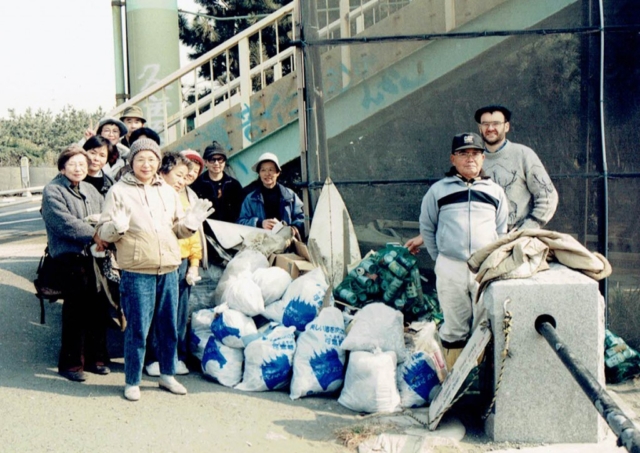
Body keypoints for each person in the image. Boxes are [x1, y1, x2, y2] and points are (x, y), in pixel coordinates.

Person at [97, 138, 213, 401]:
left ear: (158, 163)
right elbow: (104, 232)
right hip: (138, 270)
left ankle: (167, 375)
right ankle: (132, 380)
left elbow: (178, 229)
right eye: (140, 159)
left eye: (151, 159)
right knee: (138, 328)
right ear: (131, 162)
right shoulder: (118, 191)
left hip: (169, 268)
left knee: (168, 326)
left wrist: (191, 223)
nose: (146, 164)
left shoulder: (168, 192)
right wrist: (116, 227)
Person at [418, 133, 508, 370]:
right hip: (451, 266)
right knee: (454, 327)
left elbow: (501, 230)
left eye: (476, 153)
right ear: (452, 158)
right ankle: (456, 386)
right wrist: (441, 259)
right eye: (463, 153)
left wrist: (491, 261)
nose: (470, 159)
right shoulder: (438, 191)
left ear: (483, 158)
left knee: (484, 325)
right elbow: (427, 227)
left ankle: (482, 383)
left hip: (484, 269)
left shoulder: (495, 191)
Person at [41, 146, 111, 382]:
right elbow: (62, 222)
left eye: (82, 164)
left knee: (98, 308)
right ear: (62, 167)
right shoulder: (53, 190)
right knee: (76, 311)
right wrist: (94, 234)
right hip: (69, 258)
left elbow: (106, 214)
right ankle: (71, 365)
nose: (79, 168)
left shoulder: (91, 189)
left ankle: (96, 359)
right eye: (72, 164)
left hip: (95, 255)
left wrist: (104, 235)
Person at [145, 152, 203, 377]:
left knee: (178, 314)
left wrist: (194, 263)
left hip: (181, 262)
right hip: (158, 261)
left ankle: (176, 356)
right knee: (156, 313)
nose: (182, 180)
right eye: (179, 175)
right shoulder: (153, 196)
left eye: (186, 176)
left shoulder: (187, 196)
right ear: (163, 172)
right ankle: (153, 357)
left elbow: (194, 234)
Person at [474, 104, 558, 231]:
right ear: (480, 128)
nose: (490, 128)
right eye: (485, 124)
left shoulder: (523, 155)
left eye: (496, 123)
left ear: (506, 126)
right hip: (482, 240)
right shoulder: (472, 160)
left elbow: (548, 197)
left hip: (516, 240)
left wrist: (525, 231)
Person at [237, 152, 305, 237]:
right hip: (260, 244)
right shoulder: (250, 199)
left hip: (287, 242)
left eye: (271, 170)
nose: (267, 174)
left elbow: (303, 218)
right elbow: (241, 222)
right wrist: (260, 223)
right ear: (259, 174)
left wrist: (291, 229)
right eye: (263, 170)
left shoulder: (290, 196)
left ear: (278, 173)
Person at [190, 142, 244, 223]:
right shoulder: (197, 184)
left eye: (220, 159)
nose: (216, 163)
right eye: (212, 159)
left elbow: (241, 213)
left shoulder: (234, 185)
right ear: (205, 162)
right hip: (206, 231)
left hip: (230, 230)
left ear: (224, 162)